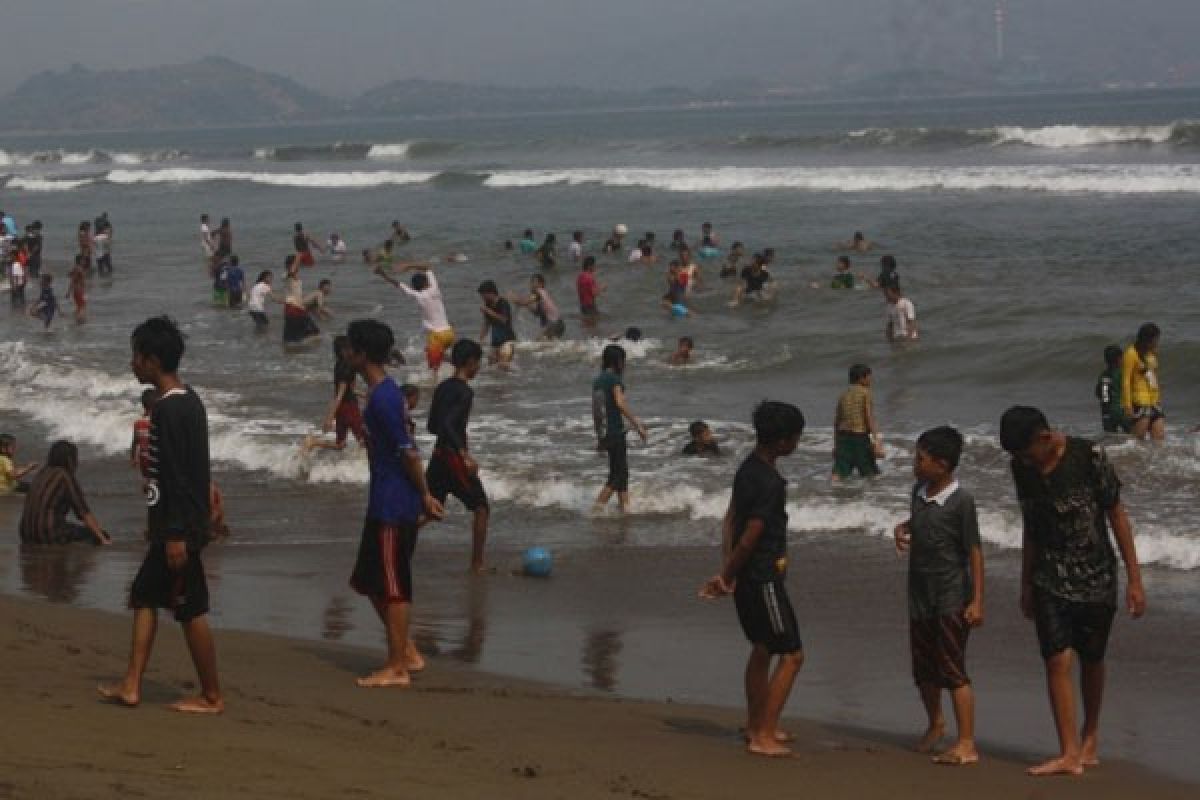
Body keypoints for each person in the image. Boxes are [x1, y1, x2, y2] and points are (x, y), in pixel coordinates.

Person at [998, 406, 1145, 776]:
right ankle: (1068, 752)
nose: (1021, 461)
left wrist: (1135, 579)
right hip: (1049, 577)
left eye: (1025, 452)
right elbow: (1031, 526)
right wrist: (1025, 582)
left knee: (1092, 658)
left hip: (1097, 575)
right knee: (1056, 659)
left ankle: (1089, 737)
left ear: (1045, 438)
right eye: (1016, 456)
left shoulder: (1089, 456)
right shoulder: (1022, 468)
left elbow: (1117, 515)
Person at [99, 316, 222, 713]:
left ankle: (211, 696)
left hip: (178, 529)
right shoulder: (191, 400)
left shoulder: (167, 412)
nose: (132, 364)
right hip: (177, 525)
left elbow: (175, 474)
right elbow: (194, 466)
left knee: (190, 609)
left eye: (136, 357)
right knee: (144, 597)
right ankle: (131, 684)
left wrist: (174, 535)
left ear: (151, 361)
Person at [699, 401, 807, 757]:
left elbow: (731, 519)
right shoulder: (771, 482)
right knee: (792, 655)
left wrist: (727, 569)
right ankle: (763, 735)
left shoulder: (747, 468)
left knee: (762, 648)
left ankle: (755, 724)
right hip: (762, 579)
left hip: (746, 576)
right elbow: (751, 534)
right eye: (796, 437)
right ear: (781, 442)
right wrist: (726, 573)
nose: (798, 443)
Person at [345, 319, 444, 687]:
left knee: (393, 584)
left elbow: (409, 452)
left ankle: (397, 667)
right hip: (383, 498)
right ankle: (408, 652)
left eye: (349, 348)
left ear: (361, 353)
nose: (345, 353)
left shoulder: (385, 397)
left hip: (394, 502)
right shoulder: (379, 394)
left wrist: (424, 496)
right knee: (368, 580)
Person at [893, 426, 984, 765]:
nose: (915, 464)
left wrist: (976, 600)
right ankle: (935, 724)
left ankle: (966, 742)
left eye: (921, 459)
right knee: (923, 667)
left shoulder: (962, 501)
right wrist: (903, 528)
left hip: (951, 594)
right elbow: (922, 522)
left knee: (952, 668)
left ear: (942, 464)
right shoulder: (918, 491)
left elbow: (974, 551)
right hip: (919, 593)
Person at [426, 339, 491, 573]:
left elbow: (433, 425)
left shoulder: (443, 387)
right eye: (478, 363)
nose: (479, 368)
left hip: (437, 455)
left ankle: (397, 546)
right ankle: (477, 565)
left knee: (430, 511)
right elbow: (447, 423)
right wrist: (464, 454)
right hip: (453, 457)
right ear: (470, 362)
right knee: (482, 508)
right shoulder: (465, 392)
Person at [18, 440, 111, 545]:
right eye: (75, 458)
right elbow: (83, 512)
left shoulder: (42, 473)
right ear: (69, 460)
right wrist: (102, 538)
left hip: (25, 534)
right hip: (48, 534)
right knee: (100, 535)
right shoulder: (64, 476)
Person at [591, 344, 648, 513]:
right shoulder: (615, 380)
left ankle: (626, 509)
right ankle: (596, 509)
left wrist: (599, 436)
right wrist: (637, 424)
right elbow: (620, 403)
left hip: (605, 432)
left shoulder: (599, 380)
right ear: (618, 361)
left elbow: (597, 410)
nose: (624, 364)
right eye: (623, 360)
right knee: (617, 476)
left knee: (621, 474)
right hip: (615, 431)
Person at [305, 336, 368, 454]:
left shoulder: (339, 365)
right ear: (343, 350)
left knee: (341, 444)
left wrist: (364, 395)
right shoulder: (347, 367)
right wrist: (329, 417)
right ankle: (362, 466)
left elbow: (349, 390)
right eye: (350, 348)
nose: (352, 351)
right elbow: (340, 393)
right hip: (349, 407)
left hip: (342, 408)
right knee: (363, 440)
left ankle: (314, 442)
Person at [392, 264, 456, 379]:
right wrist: (409, 265)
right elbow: (428, 267)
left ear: (415, 287)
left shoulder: (418, 295)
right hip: (449, 332)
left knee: (433, 371)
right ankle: (457, 363)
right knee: (440, 355)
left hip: (436, 335)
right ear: (426, 283)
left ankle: (435, 386)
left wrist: (382, 274)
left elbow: (398, 285)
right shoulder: (435, 288)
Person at [833, 364, 883, 481]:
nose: (871, 380)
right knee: (870, 472)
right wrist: (876, 440)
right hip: (859, 437)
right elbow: (869, 417)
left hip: (842, 438)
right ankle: (873, 497)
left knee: (839, 471)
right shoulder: (865, 393)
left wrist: (836, 445)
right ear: (862, 378)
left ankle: (830, 493)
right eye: (869, 377)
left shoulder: (843, 395)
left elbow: (836, 421)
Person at [1121, 323, 1164, 441]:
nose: (1157, 342)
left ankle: (1155, 460)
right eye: (1156, 339)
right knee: (1138, 440)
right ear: (1147, 340)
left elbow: (1153, 375)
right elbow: (1125, 381)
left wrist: (1158, 395)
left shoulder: (1151, 353)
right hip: (1140, 402)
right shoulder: (1130, 354)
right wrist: (1127, 405)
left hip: (1154, 401)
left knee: (1159, 439)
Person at [513, 274, 565, 340]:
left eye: (534, 283)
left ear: (541, 284)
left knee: (539, 341)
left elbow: (524, 302)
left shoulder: (540, 292)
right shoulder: (543, 295)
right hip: (558, 325)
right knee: (545, 342)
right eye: (531, 283)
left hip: (555, 325)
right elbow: (537, 313)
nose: (532, 285)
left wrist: (516, 300)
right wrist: (525, 305)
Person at [477, 280, 516, 367]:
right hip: (495, 341)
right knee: (491, 366)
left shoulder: (503, 303)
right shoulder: (487, 304)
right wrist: (480, 339)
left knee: (504, 366)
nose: (482, 297)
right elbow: (486, 324)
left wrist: (488, 311)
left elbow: (504, 320)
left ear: (491, 293)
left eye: (483, 295)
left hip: (507, 340)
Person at [283, 256, 319, 344]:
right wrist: (299, 254)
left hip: (299, 308)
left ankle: (298, 353)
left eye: (299, 264)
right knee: (292, 339)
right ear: (289, 266)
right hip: (292, 309)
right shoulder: (286, 275)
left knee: (313, 332)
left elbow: (298, 295)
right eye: (297, 264)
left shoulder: (297, 277)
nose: (299, 266)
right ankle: (293, 354)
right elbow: (290, 272)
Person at [1095, 345, 1131, 434]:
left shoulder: (1104, 375)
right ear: (1119, 358)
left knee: (1110, 438)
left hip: (1107, 412)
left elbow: (1101, 394)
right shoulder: (1123, 373)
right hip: (1123, 411)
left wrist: (1106, 412)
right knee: (1132, 436)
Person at [130, 388, 156, 480]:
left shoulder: (138, 423)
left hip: (144, 459)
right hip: (155, 459)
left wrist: (133, 458)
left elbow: (135, 442)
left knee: (148, 481)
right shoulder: (157, 422)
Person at [577, 256, 604, 324]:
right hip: (590, 305)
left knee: (588, 325)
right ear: (589, 266)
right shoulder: (590, 278)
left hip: (583, 305)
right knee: (594, 325)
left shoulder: (580, 276)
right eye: (594, 265)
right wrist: (602, 288)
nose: (595, 267)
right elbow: (594, 293)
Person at [68, 257, 87, 324]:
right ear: (80, 261)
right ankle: (78, 320)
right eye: (83, 260)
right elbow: (73, 280)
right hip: (78, 290)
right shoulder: (78, 269)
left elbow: (70, 275)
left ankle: (77, 319)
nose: (84, 261)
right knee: (81, 305)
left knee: (80, 305)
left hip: (78, 290)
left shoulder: (77, 268)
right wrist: (68, 292)